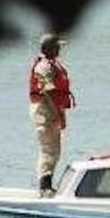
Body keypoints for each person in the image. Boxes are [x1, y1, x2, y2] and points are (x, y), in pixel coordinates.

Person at [29, 33, 75, 197]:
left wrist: (60, 112)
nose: (59, 49)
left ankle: (47, 186)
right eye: (57, 47)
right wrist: (59, 114)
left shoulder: (51, 64)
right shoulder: (43, 66)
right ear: (49, 48)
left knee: (54, 150)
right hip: (45, 110)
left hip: (51, 109)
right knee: (48, 149)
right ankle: (44, 188)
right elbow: (48, 91)